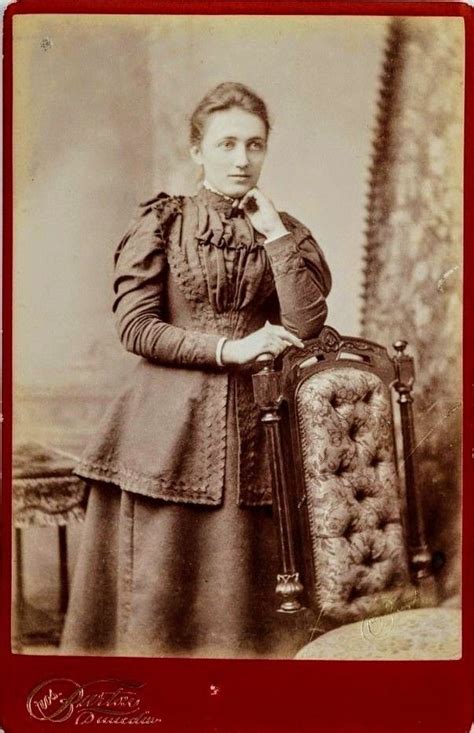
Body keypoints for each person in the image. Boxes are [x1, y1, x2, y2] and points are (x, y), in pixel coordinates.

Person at [61, 82, 332, 659]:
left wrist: (276, 235)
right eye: (226, 143)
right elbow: (135, 327)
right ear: (197, 150)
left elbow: (307, 325)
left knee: (242, 603)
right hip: (163, 432)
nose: (241, 159)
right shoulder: (163, 223)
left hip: (259, 434)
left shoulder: (284, 231)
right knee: (158, 607)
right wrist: (227, 350)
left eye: (254, 145)